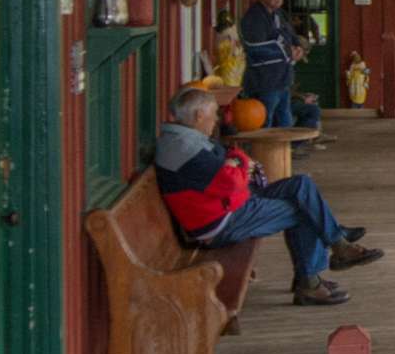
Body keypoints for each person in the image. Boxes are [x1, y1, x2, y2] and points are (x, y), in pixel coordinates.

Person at [155, 87, 381, 306]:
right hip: (220, 222)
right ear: (198, 115)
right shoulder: (184, 149)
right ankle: (311, 282)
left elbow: (230, 162)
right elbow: (231, 179)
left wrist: (234, 161)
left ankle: (337, 244)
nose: (215, 119)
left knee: (301, 184)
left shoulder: (185, 139)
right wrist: (239, 162)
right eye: (213, 114)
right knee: (302, 211)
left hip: (230, 204)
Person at [240, 0, 305, 128]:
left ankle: (285, 153)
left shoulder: (279, 14)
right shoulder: (254, 17)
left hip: (283, 79)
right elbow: (255, 46)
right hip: (264, 82)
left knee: (285, 123)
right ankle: (261, 153)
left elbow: (291, 35)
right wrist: (288, 52)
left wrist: (298, 48)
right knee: (264, 123)